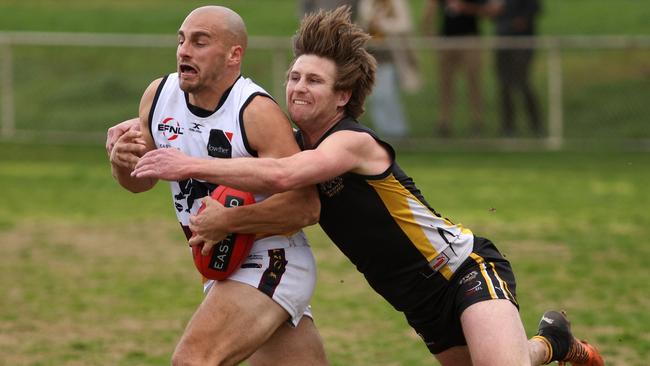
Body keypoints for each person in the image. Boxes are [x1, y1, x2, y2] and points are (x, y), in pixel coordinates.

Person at [129, 6, 604, 366]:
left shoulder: (349, 143)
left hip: (462, 271)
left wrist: (184, 164)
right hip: (414, 301)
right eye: (294, 77)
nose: (297, 88)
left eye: (315, 80)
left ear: (342, 96)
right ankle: (553, 343)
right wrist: (130, 137)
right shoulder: (294, 142)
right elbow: (257, 168)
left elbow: (284, 176)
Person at [107, 6, 329, 366]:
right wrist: (121, 163)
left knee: (192, 360)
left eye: (200, 41)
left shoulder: (254, 112)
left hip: (272, 259)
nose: (184, 50)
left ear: (233, 54)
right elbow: (139, 183)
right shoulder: (159, 96)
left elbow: (306, 207)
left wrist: (228, 222)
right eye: (181, 40)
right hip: (225, 261)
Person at [422, 0, 486, 137]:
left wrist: (465, 7)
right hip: (447, 41)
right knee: (446, 83)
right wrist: (429, 34)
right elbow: (430, 10)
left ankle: (477, 120)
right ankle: (444, 121)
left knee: (473, 81)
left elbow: (486, 10)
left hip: (469, 40)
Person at [357, 0, 415, 138]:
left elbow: (405, 25)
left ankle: (398, 132)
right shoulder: (367, 3)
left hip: (390, 57)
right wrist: (368, 25)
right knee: (375, 97)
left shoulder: (396, 3)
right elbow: (361, 23)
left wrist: (382, 24)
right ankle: (385, 133)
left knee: (387, 95)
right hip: (371, 56)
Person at [493, 0, 542, 136]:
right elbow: (492, 12)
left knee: (522, 82)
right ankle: (508, 126)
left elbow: (534, 9)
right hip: (503, 43)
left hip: (522, 42)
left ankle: (536, 123)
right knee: (504, 85)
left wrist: (518, 22)